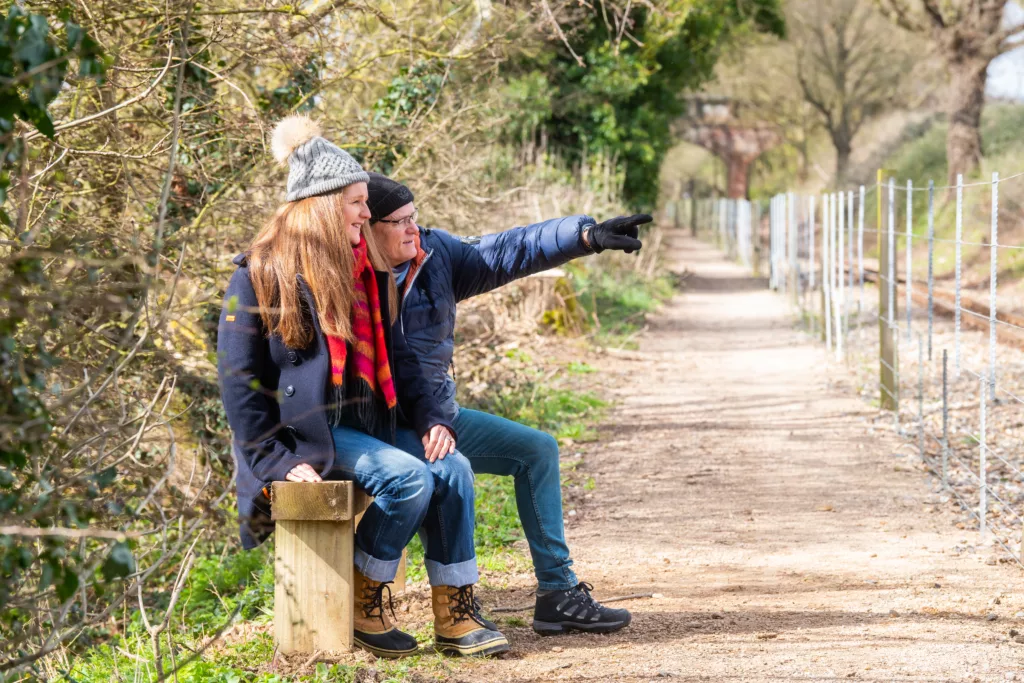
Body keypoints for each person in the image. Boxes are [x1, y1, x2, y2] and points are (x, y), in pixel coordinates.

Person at [216, 117, 508, 659]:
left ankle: (456, 615)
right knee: (408, 478)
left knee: (454, 468)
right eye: (355, 203)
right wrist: (277, 464)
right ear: (324, 204)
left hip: (368, 423)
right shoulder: (259, 274)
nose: (366, 214)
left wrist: (433, 419)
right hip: (304, 437)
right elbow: (239, 386)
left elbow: (401, 360)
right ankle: (363, 596)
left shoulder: (366, 271)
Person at [365, 172, 650, 635]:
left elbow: (508, 250)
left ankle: (558, 593)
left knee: (536, 450)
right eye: (398, 222)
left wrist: (585, 236)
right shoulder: (352, 276)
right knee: (448, 470)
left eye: (414, 217)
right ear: (367, 227)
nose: (412, 229)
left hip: (440, 417)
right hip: (382, 429)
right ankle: (452, 610)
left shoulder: (436, 256)